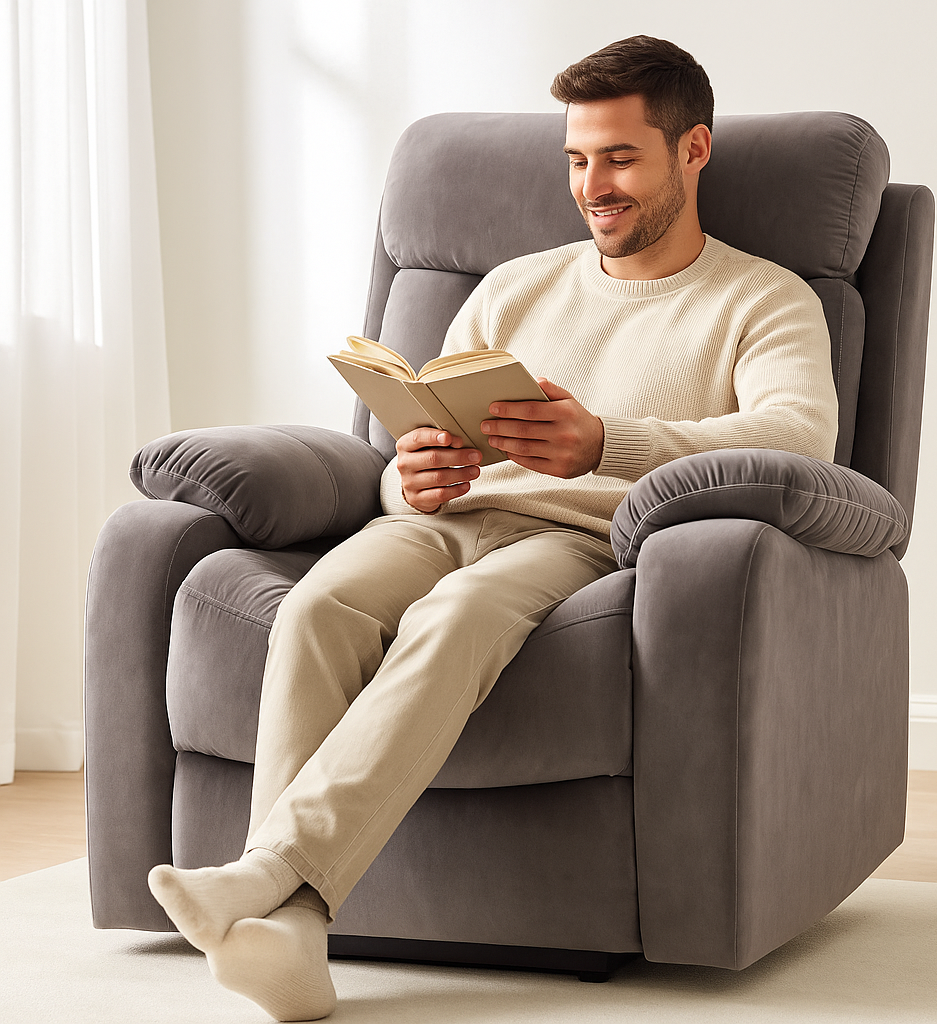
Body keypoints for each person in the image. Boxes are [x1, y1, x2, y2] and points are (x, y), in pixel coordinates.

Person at [148, 35, 839, 1021]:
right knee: (320, 605)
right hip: (450, 518)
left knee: (459, 616)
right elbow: (417, 451)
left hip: (580, 539)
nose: (592, 185)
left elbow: (796, 437)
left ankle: (263, 878)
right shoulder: (514, 287)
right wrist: (413, 479)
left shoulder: (762, 299)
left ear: (693, 152)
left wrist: (603, 443)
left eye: (620, 158)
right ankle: (288, 932)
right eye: (576, 160)